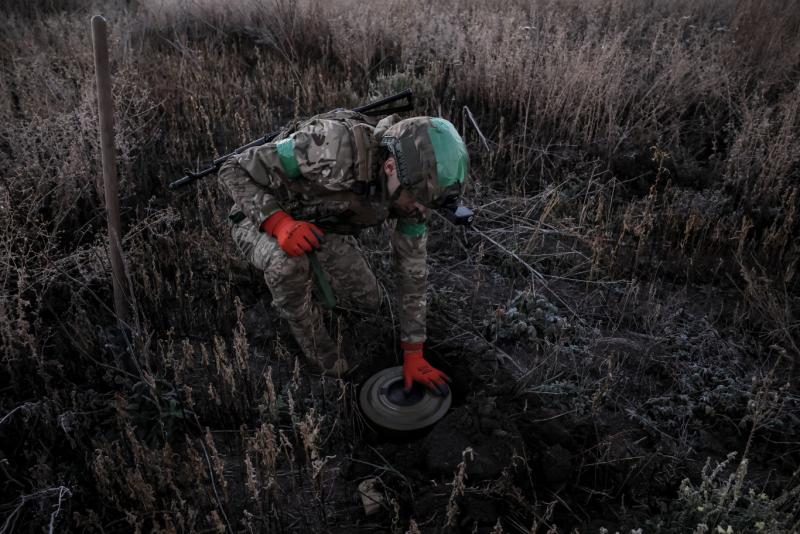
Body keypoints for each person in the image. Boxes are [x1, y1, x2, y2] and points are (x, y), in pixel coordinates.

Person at [218, 109, 467, 395]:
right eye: (419, 201)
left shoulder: (416, 189)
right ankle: (320, 353)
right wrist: (279, 224)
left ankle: (316, 278)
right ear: (389, 167)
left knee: (369, 303)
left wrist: (413, 351)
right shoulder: (329, 146)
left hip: (320, 226)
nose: (421, 211)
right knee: (287, 263)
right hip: (258, 217)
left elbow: (411, 271)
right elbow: (232, 170)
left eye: (428, 205)